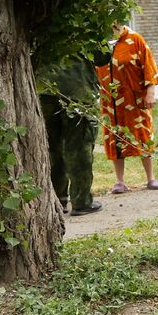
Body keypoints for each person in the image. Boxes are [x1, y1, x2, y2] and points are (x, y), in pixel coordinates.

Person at [98, 21, 158, 192]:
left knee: (143, 133)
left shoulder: (135, 39)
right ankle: (119, 181)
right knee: (114, 137)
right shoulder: (100, 45)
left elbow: (149, 67)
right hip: (111, 103)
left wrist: (150, 92)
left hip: (135, 100)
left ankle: (151, 178)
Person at [38, 55, 102, 216]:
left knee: (52, 147)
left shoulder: (36, 28)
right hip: (77, 90)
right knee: (79, 147)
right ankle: (82, 201)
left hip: (45, 88)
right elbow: (102, 57)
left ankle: (57, 200)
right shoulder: (87, 28)